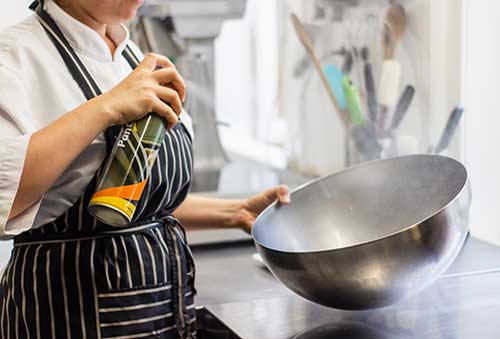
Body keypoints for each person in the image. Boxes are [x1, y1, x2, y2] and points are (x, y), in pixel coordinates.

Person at [0, 0, 290, 338]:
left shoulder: (129, 55)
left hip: (161, 314)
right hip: (67, 315)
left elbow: (125, 196)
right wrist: (107, 107)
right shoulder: (15, 57)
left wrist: (234, 211)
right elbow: (5, 198)